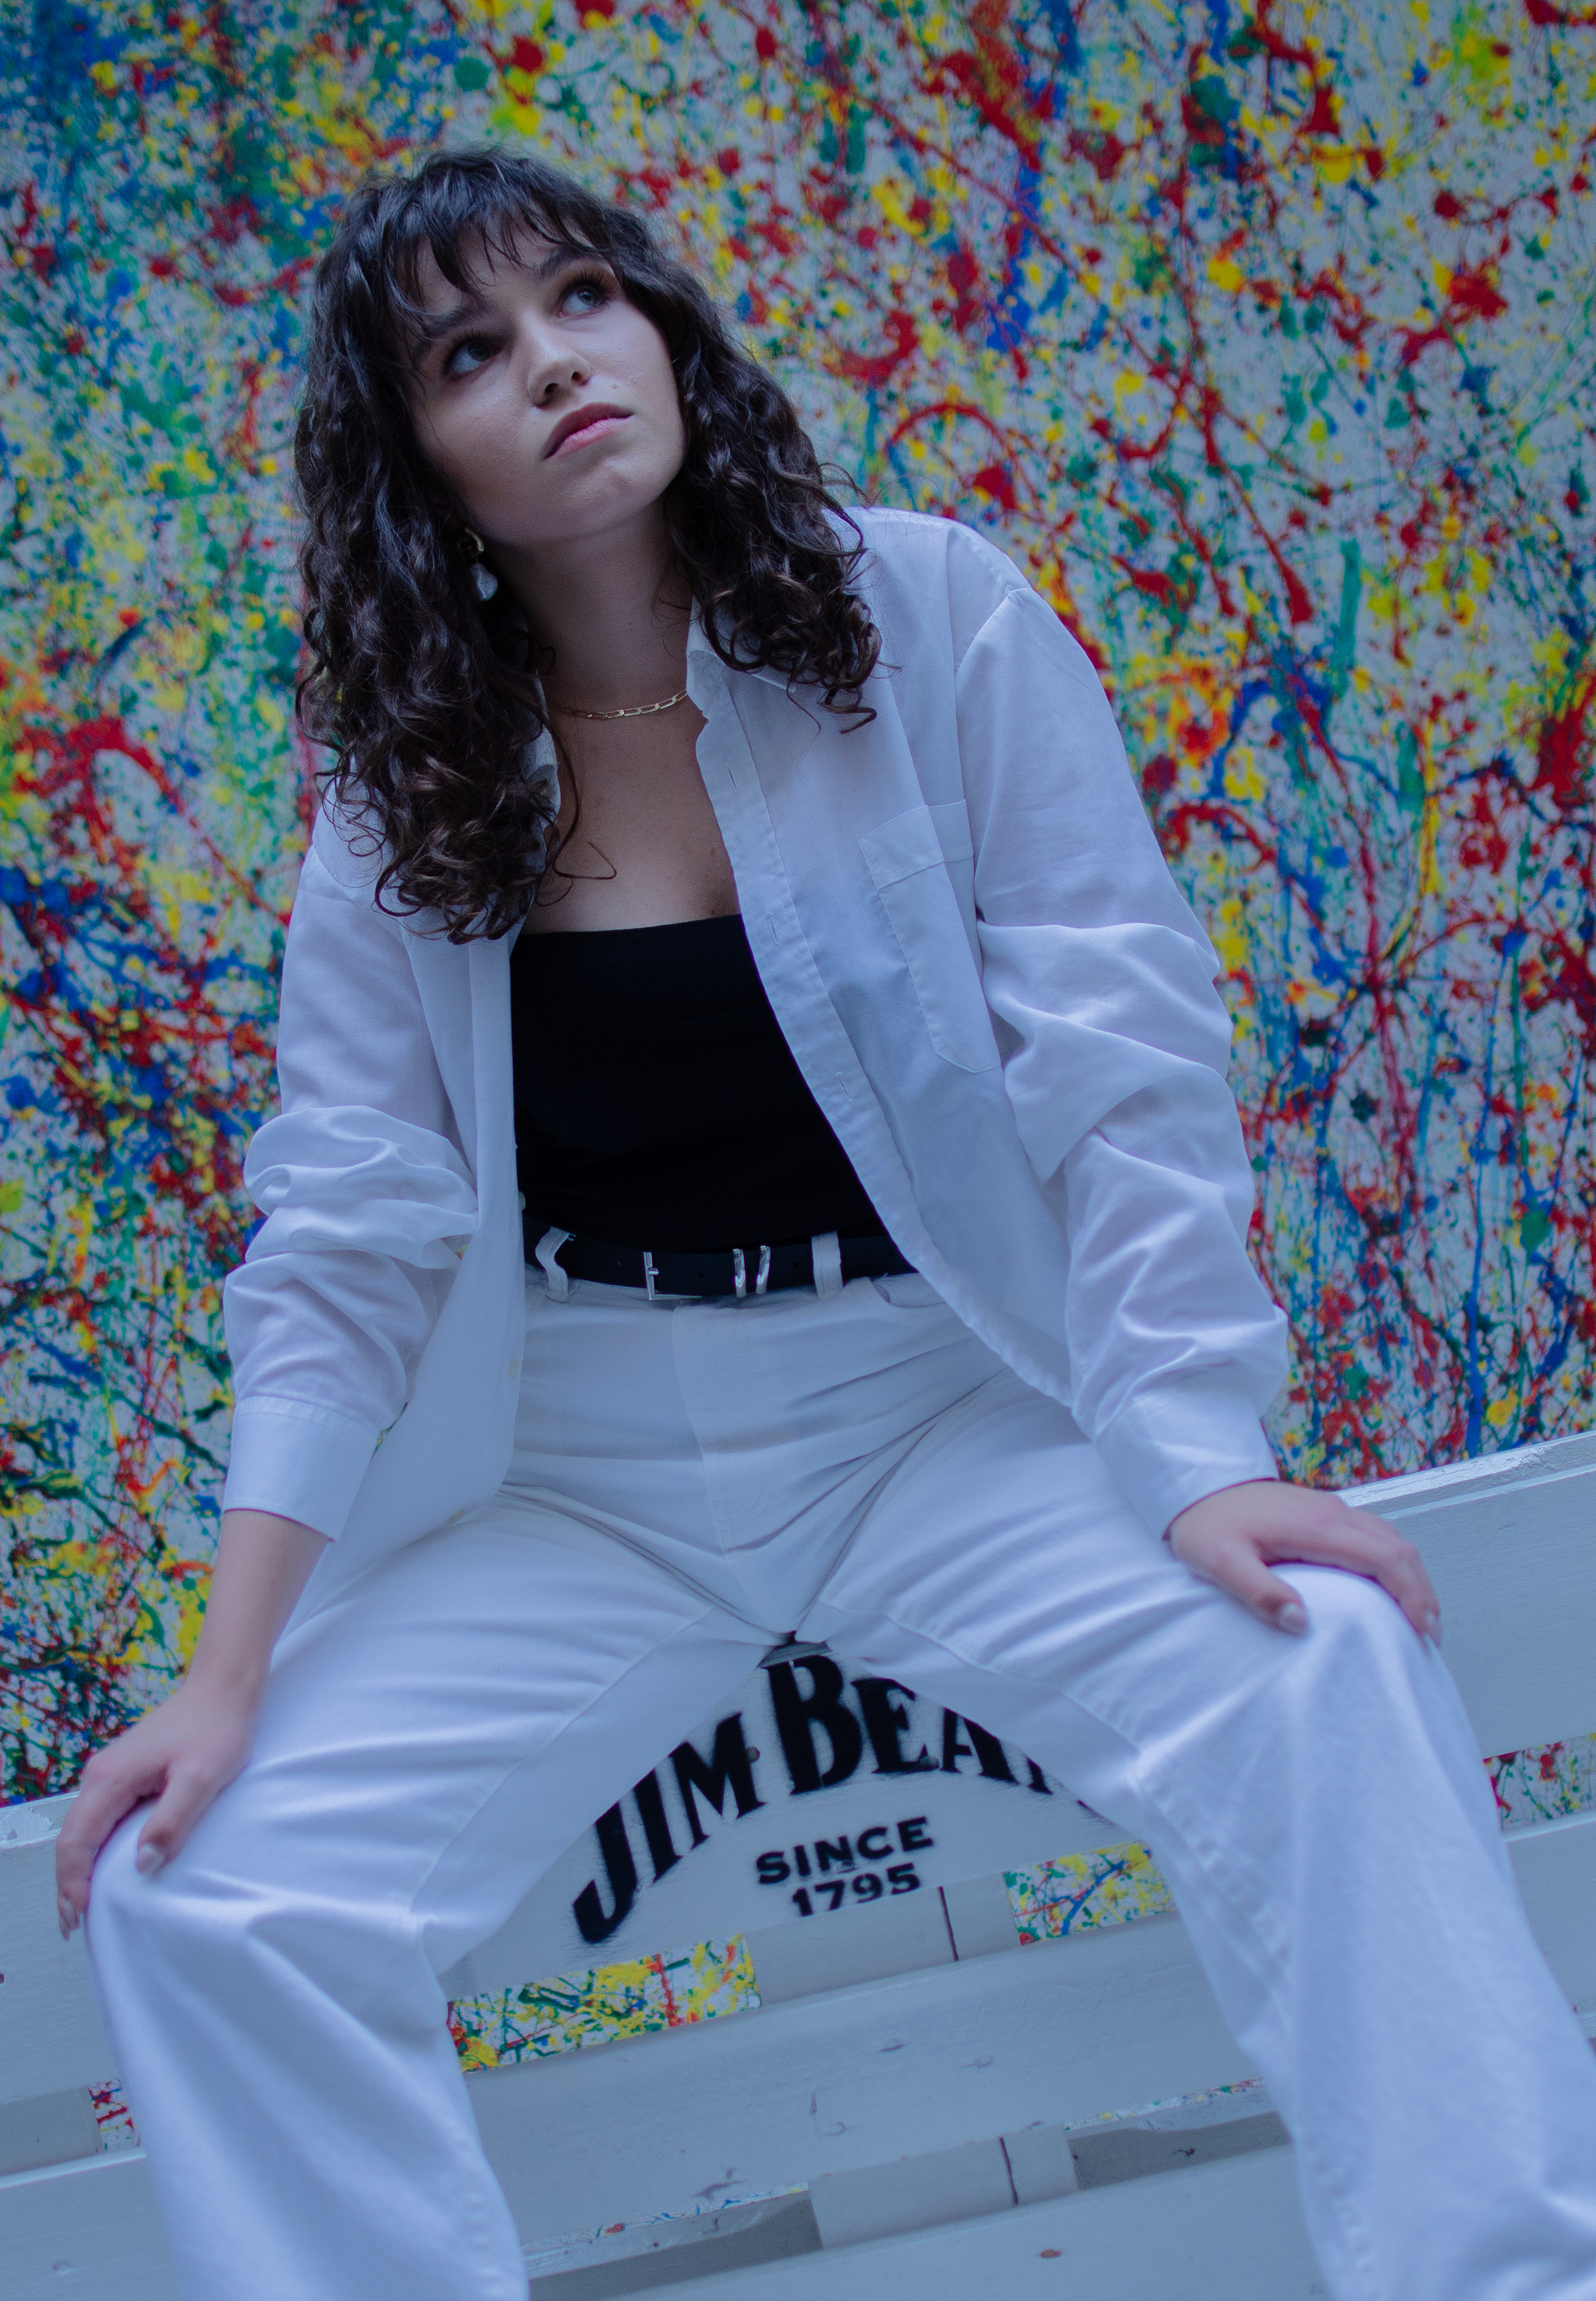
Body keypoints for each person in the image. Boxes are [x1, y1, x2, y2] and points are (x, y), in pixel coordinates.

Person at [54, 148, 1596, 2301]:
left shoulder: (930, 614)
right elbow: (345, 1234)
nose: (555, 364)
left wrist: (1196, 1453)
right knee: (200, 1892)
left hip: (934, 1406)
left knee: (1323, 1663)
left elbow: (1120, 1065)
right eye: (471, 353)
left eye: (583, 297)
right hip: (581, 1471)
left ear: (664, 327)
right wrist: (227, 1679)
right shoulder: (404, 783)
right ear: (419, 466)